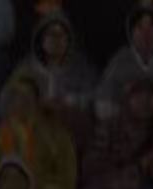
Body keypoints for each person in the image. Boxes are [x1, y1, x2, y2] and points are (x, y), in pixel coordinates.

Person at [0, 77, 77, 189]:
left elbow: (67, 185)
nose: (20, 102)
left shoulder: (56, 137)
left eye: (27, 97)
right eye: (15, 96)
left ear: (37, 101)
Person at [9, 7, 97, 141]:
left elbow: (95, 97)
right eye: (50, 34)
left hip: (70, 134)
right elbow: (7, 99)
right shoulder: (26, 67)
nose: (55, 40)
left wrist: (71, 101)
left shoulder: (81, 68)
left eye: (61, 35)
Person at [100, 4, 153, 118]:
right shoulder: (119, 60)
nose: (146, 34)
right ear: (131, 33)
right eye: (140, 28)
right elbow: (103, 95)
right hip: (128, 121)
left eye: (152, 28)